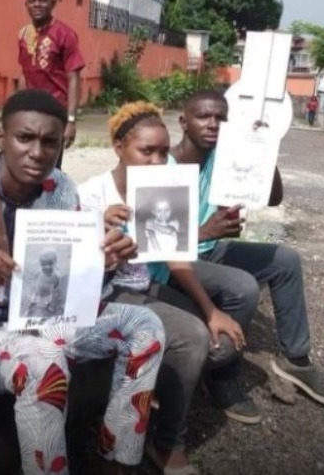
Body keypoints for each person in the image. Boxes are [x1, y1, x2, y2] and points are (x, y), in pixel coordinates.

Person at [0, 89, 166, 475]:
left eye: (50, 141)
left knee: (145, 325)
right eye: (25, 137)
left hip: (41, 321)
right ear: (1, 138)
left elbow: (71, 292)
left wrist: (106, 262)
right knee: (41, 360)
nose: (37, 152)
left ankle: (115, 460)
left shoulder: (60, 189)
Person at [78, 101, 246, 475]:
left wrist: (211, 310)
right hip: (107, 296)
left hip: (147, 287)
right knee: (193, 338)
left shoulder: (161, 191)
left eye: (162, 152)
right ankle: (170, 442)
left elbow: (174, 256)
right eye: (146, 151)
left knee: (221, 343)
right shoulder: (91, 195)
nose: (157, 161)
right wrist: (99, 236)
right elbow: (73, 269)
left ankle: (161, 397)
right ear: (120, 147)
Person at [165, 89, 324, 425]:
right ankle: (220, 375)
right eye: (203, 116)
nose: (213, 124)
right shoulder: (164, 165)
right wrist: (205, 231)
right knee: (243, 286)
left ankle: (296, 360)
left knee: (285, 260)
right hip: (176, 261)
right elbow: (158, 243)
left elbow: (274, 198)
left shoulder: (224, 155)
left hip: (212, 250)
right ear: (183, 122)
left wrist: (265, 145)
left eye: (221, 118)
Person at [16, 0, 85, 170]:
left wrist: (70, 120)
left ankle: (54, 199)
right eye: (33, 1)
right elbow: (24, 73)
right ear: (27, 5)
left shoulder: (65, 34)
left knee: (51, 169)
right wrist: (17, 108)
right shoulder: (23, 34)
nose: (37, 4)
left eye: (43, 0)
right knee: (27, 164)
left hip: (55, 113)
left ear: (53, 4)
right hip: (31, 112)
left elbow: (73, 78)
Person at [24, 247, 64, 318]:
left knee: (48, 301)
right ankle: (29, 310)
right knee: (33, 302)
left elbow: (57, 283)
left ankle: (48, 308)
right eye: (43, 265)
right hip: (38, 292)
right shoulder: (39, 272)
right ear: (40, 264)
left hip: (48, 293)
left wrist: (54, 288)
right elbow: (34, 279)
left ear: (55, 262)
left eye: (50, 264)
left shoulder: (56, 275)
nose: (47, 267)